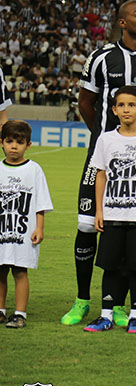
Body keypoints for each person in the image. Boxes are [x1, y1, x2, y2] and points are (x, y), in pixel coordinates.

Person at [62, 0, 136, 327]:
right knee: (86, 226)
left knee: (129, 229)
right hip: (103, 157)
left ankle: (120, 306)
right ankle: (83, 300)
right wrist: (105, 139)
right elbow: (86, 102)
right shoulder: (101, 57)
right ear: (122, 22)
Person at [83, 87, 136, 333]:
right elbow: (101, 176)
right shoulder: (106, 139)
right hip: (112, 214)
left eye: (131, 105)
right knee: (110, 266)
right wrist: (99, 210)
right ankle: (106, 314)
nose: (126, 109)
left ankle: (135, 316)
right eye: (121, 105)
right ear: (114, 109)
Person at [0, 120, 53, 329]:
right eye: (9, 141)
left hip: (23, 231)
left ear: (28, 145)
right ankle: (1, 310)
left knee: (20, 271)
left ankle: (20, 313)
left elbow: (40, 202)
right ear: (1, 143)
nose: (14, 146)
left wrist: (39, 227)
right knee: (0, 270)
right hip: (2, 230)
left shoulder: (34, 170)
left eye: (19, 142)